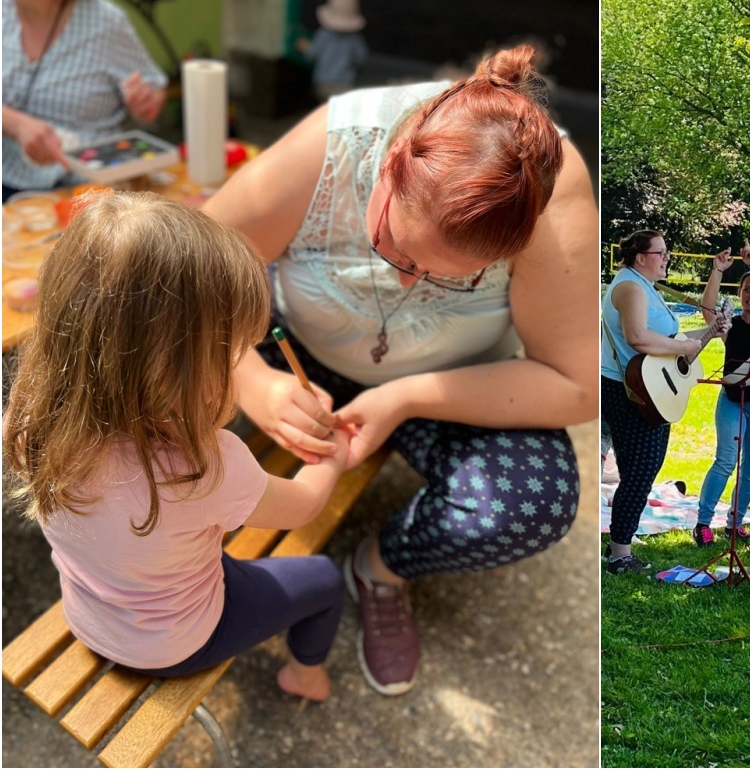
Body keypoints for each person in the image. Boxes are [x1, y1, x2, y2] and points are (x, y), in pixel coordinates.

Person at [202, 46, 597, 696]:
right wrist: (249, 378)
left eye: (453, 279)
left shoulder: (550, 199)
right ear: (387, 167)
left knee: (535, 504)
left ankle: (381, 569)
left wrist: (404, 398)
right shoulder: (335, 144)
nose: (403, 280)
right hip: (291, 346)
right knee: (142, 363)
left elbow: (575, 384)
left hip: (450, 380)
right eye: (394, 248)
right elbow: (185, 271)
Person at [1, 193, 350, 702]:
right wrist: (333, 452)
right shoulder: (209, 466)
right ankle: (305, 675)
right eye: (227, 353)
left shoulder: (26, 419)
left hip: (91, 612)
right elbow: (305, 506)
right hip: (178, 642)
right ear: (170, 372)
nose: (236, 367)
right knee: (322, 578)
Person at [602, 229, 726, 568]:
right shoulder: (630, 287)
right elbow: (639, 338)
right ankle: (619, 554)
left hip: (649, 388)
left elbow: (673, 341)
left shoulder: (646, 288)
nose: (667, 258)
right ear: (641, 257)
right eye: (661, 253)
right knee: (640, 471)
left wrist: (711, 332)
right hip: (629, 389)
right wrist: (685, 346)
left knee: (641, 470)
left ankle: (619, 542)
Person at [2, 0, 166, 199]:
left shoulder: (105, 22)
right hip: (7, 182)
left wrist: (146, 101)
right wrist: (15, 124)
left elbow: (154, 87)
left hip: (86, 190)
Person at [692, 242, 750, 546]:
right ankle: (703, 522)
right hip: (733, 400)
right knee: (726, 460)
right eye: (747, 290)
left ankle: (736, 522)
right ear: (739, 294)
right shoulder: (729, 325)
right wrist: (718, 270)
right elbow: (707, 310)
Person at [298, 0, 370, 100]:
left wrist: (305, 46)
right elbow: (361, 59)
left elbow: (312, 54)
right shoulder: (355, 40)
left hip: (322, 84)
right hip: (344, 86)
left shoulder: (323, 34)